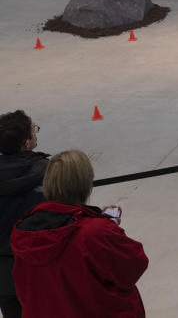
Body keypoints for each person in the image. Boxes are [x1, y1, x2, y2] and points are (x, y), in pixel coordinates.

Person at [10, 150, 148, 317]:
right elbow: (134, 265)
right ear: (86, 184)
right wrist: (109, 229)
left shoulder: (24, 232)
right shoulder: (96, 233)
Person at [0, 111, 48, 318]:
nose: (36, 133)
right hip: (40, 267)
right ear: (26, 142)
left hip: (4, 275)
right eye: (33, 130)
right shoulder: (49, 172)